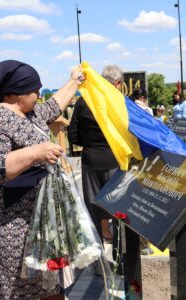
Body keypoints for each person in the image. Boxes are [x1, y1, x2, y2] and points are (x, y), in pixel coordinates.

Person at [0, 60, 83, 300]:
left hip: (37, 219)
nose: (38, 95)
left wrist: (75, 80)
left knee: (47, 283)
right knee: (18, 287)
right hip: (10, 222)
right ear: (16, 94)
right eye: (34, 91)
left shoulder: (28, 112)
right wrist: (35, 153)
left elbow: (54, 106)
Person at [68, 65, 122, 243]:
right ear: (118, 83)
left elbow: (72, 135)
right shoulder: (120, 101)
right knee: (118, 205)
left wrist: (90, 143)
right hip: (115, 159)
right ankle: (121, 253)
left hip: (90, 159)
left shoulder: (83, 101)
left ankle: (97, 259)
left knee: (93, 207)